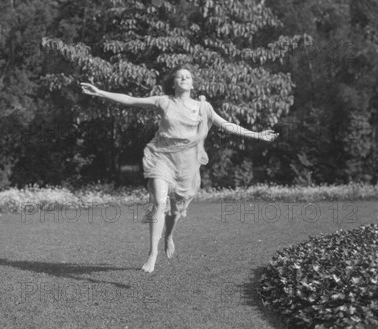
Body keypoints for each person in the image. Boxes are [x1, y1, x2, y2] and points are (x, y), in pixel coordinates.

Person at [80, 65, 278, 273]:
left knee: (175, 211)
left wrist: (257, 135)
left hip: (187, 164)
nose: (184, 78)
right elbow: (130, 100)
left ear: (192, 84)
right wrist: (100, 92)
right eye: (179, 76)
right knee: (159, 200)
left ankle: (169, 235)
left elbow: (227, 125)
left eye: (188, 76)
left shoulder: (203, 107)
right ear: (173, 83)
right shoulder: (164, 101)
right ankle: (152, 254)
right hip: (162, 157)